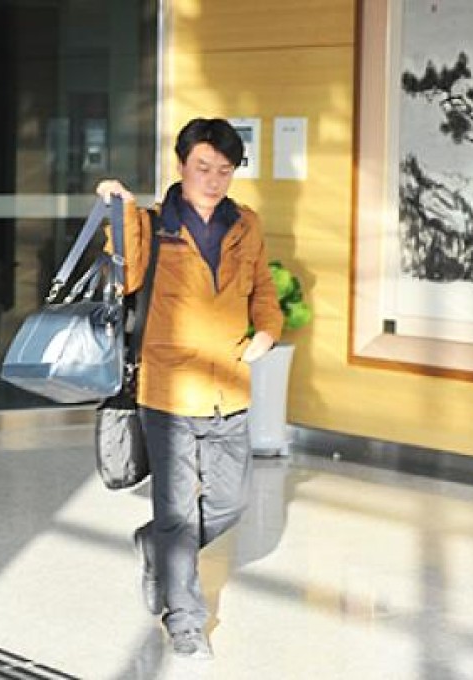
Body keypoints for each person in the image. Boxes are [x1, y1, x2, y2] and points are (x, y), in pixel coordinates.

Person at [96, 117, 283, 659]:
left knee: (231, 501)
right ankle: (185, 621)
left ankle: (154, 546)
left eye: (224, 170)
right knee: (178, 512)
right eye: (203, 167)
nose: (213, 179)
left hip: (231, 387)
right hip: (169, 390)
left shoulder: (247, 224)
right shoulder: (154, 224)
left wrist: (268, 331)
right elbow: (126, 278)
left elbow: (264, 290)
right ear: (182, 165)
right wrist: (119, 211)